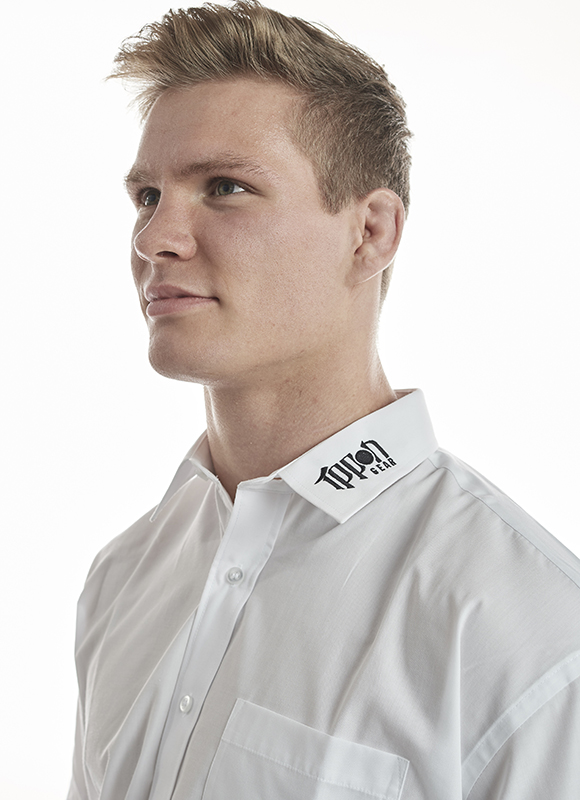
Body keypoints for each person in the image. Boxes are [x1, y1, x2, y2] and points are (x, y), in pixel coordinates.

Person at [67, 2, 580, 798]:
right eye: (147, 196)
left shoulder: (529, 629)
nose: (154, 238)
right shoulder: (125, 574)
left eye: (225, 187)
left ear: (370, 233)